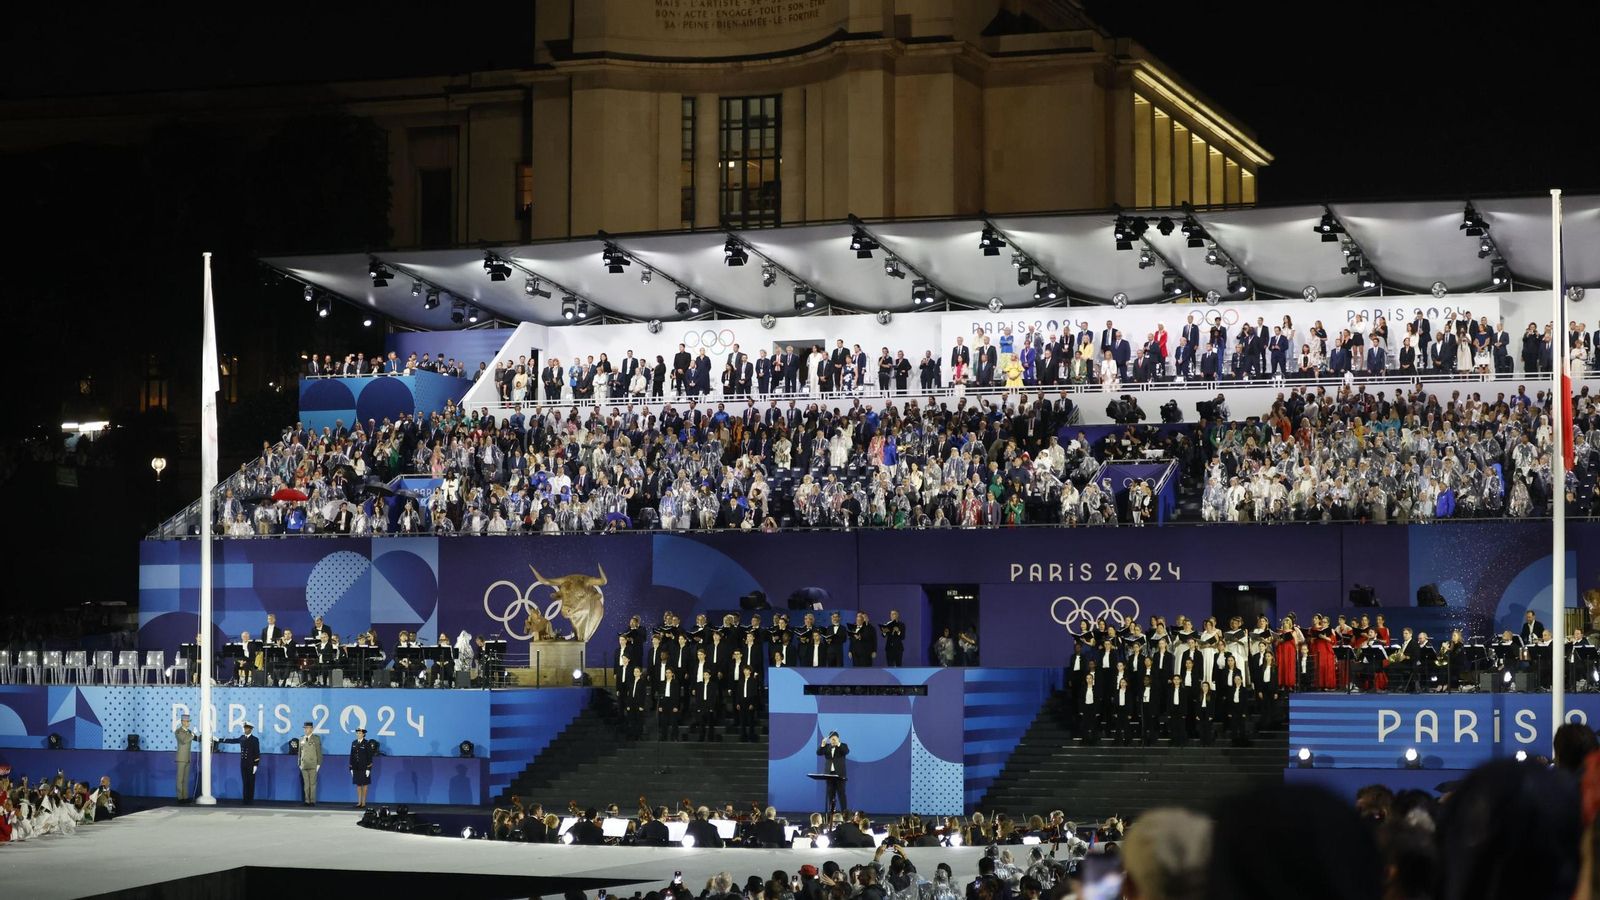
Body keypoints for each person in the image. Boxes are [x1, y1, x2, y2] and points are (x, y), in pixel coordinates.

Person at [217, 723, 261, 805]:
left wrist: (256, 765)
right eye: (245, 728)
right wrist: (220, 740)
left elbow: (257, 753)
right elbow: (232, 741)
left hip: (251, 764)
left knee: (251, 782)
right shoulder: (242, 738)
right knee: (245, 782)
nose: (245, 730)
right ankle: (245, 799)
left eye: (247, 728)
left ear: (251, 729)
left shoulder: (255, 739)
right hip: (243, 763)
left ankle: (250, 799)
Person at [817, 731, 849, 817]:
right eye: (831, 739)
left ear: (838, 739)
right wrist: (823, 744)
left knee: (841, 794)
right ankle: (831, 815)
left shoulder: (843, 746)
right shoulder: (827, 747)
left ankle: (844, 815)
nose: (833, 741)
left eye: (834, 739)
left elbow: (846, 751)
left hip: (840, 775)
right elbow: (818, 753)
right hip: (829, 775)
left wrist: (838, 744)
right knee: (830, 795)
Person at [349, 727, 377, 809]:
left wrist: (368, 769)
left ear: (363, 734)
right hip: (356, 767)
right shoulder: (354, 743)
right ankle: (359, 802)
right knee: (358, 785)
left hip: (364, 767)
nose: (358, 734)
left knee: (364, 785)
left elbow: (369, 757)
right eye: (357, 733)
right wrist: (351, 768)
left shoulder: (367, 743)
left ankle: (364, 802)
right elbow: (352, 756)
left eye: (360, 733)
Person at [174, 713, 199, 801]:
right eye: (187, 721)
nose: (188, 723)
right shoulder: (178, 731)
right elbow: (184, 740)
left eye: (189, 721)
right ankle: (180, 797)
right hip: (181, 758)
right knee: (180, 778)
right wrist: (192, 734)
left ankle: (185, 797)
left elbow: (196, 738)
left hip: (187, 758)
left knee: (185, 779)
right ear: (182, 722)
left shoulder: (188, 732)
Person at [297, 721, 322, 806]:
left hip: (313, 764)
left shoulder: (316, 738)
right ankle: (307, 800)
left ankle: (312, 801)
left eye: (307, 728)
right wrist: (299, 763)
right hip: (304, 764)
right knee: (306, 784)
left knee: (312, 784)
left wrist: (318, 764)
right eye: (305, 728)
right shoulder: (301, 739)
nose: (306, 730)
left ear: (311, 729)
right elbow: (299, 752)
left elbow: (319, 752)